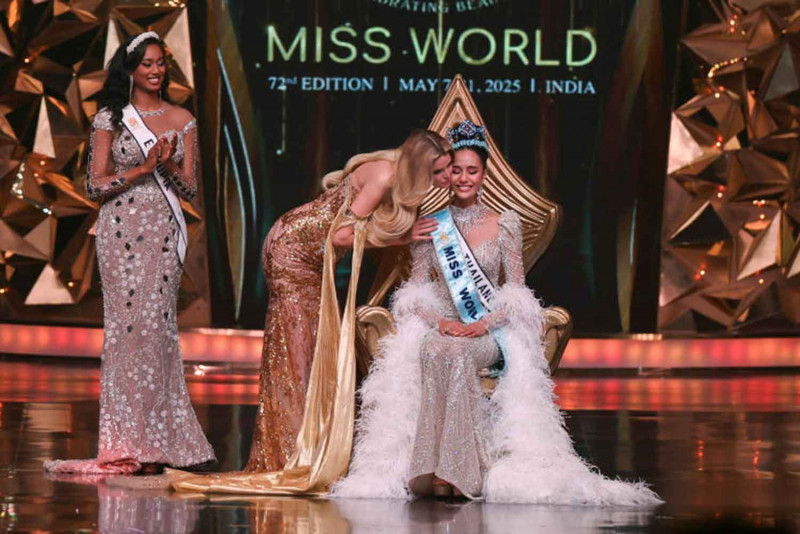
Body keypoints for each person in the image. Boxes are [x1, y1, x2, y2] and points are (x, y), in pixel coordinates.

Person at [332, 120, 662, 505]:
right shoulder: (432, 224)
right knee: (435, 348)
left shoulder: (505, 224)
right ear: (446, 173)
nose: (463, 178)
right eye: (456, 170)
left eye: (472, 171)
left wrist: (481, 324)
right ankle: (430, 471)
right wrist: (442, 322)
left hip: (490, 333)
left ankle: (458, 472)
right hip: (442, 327)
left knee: (452, 350)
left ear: (485, 175)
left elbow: (516, 292)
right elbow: (416, 291)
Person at [168, 130, 453, 493]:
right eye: (440, 171)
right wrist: (402, 236)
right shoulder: (385, 175)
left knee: (307, 353)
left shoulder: (394, 171)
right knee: (295, 355)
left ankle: (301, 449)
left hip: (310, 256)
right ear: (418, 163)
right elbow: (341, 236)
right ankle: (289, 454)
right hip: (294, 252)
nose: (444, 179)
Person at [44, 32, 215, 474]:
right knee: (124, 331)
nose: (157, 71)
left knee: (156, 329)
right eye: (148, 64)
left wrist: (168, 163)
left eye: (162, 63)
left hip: (162, 231)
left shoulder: (182, 117)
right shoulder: (110, 119)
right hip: (119, 232)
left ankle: (160, 439)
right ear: (131, 69)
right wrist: (142, 167)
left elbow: (190, 188)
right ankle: (125, 439)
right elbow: (94, 186)